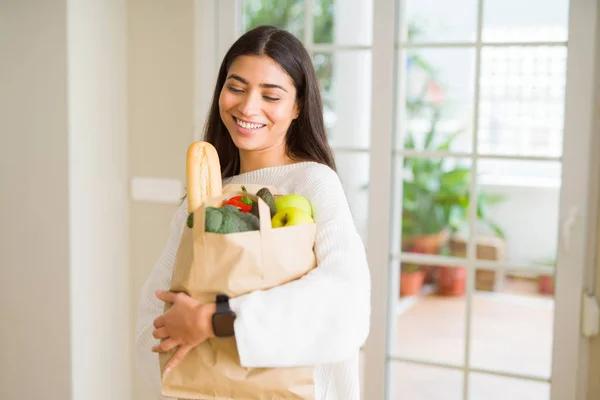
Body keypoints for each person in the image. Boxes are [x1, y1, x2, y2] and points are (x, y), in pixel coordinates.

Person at [135, 25, 371, 400]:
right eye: (237, 87)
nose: (247, 107)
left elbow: (347, 301)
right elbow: (155, 304)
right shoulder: (204, 196)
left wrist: (215, 320)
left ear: (297, 106)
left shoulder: (313, 182)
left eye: (270, 95)